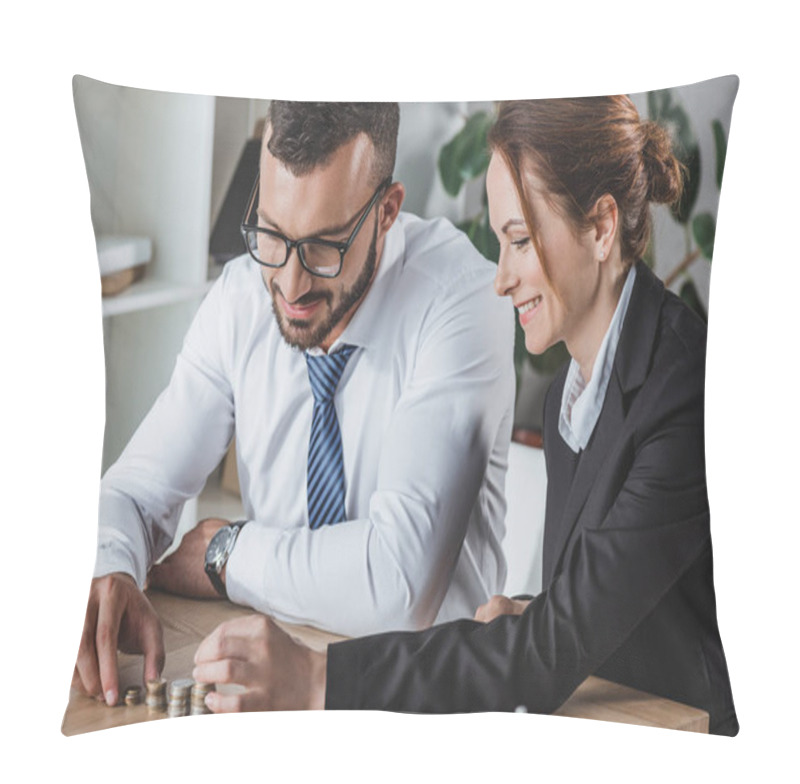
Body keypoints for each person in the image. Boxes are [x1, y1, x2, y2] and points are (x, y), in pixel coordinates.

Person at [192, 96, 739, 736]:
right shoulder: (577, 386)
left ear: (600, 227)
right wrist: (536, 611)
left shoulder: (682, 389)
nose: (501, 280)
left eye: (518, 241)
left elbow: (546, 660)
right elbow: (628, 589)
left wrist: (319, 677)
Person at [73, 101, 516, 707]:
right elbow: (133, 492)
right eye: (273, 235)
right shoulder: (241, 298)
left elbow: (396, 586)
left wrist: (230, 552)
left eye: (325, 247)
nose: (290, 283)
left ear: (387, 213)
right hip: (266, 688)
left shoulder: (462, 303)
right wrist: (112, 566)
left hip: (423, 702)